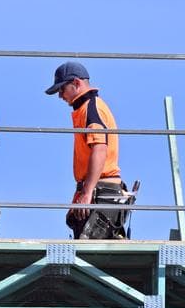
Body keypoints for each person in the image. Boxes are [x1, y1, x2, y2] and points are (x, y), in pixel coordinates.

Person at [44, 61, 134, 239]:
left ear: (76, 83)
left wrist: (87, 193)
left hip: (101, 190)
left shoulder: (91, 108)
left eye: (62, 89)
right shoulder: (87, 108)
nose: (60, 95)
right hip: (98, 189)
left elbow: (99, 149)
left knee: (90, 251)